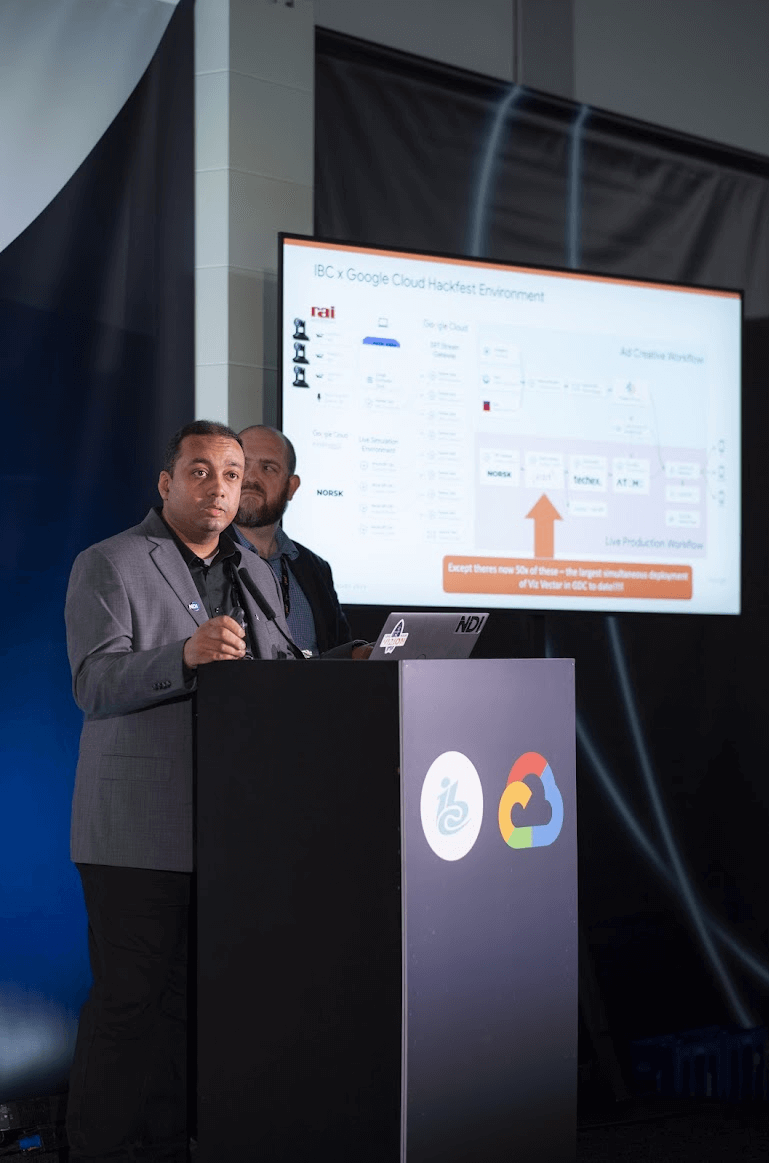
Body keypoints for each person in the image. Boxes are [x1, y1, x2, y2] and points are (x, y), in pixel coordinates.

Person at [64, 420, 360, 1163]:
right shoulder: (109, 562)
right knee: (130, 1003)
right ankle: (98, 1150)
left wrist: (344, 665)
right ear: (166, 483)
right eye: (200, 471)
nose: (220, 487)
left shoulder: (252, 571)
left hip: (232, 827)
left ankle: (173, 1144)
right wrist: (183, 656)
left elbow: (276, 676)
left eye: (231, 474)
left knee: (197, 1005)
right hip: (137, 831)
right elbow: (92, 682)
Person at [232, 424, 351, 655]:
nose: (251, 477)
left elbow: (339, 651)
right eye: (241, 466)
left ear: (291, 487)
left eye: (268, 468)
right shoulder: (203, 558)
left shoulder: (315, 568)